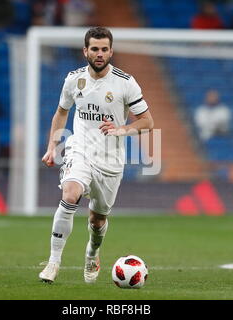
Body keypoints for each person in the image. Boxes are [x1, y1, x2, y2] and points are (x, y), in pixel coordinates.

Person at [39, 27, 154, 284]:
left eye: (104, 49)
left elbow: (147, 122)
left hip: (110, 160)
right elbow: (61, 112)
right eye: (95, 49)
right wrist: (51, 146)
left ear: (111, 51)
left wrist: (122, 129)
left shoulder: (126, 83)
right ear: (85, 51)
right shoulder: (73, 80)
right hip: (80, 149)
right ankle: (53, 263)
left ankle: (92, 251)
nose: (99, 54)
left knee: (98, 218)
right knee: (69, 194)